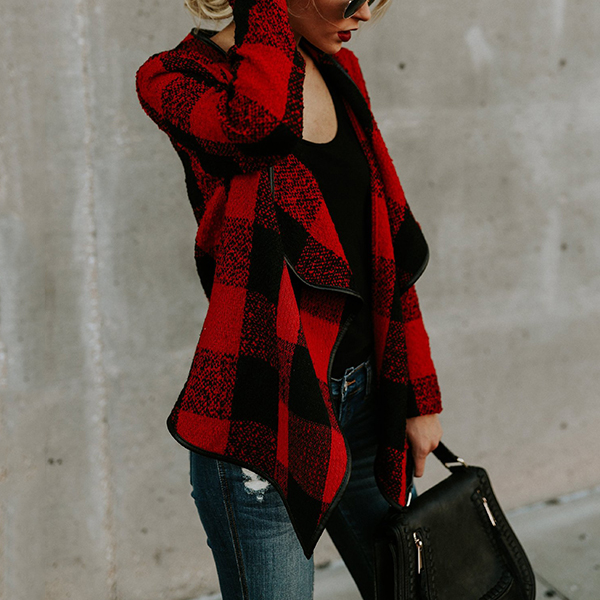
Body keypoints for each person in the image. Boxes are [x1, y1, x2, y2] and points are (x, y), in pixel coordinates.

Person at [136, 0, 443, 596]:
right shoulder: (174, 78)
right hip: (266, 414)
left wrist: (418, 394)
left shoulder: (340, 71)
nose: (365, 15)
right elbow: (257, 127)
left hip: (365, 397)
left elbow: (383, 248)